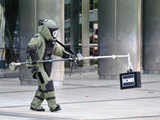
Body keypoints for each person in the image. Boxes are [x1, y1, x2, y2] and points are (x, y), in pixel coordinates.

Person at [26, 18, 71, 112]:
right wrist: (34, 60)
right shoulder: (38, 38)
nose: (55, 34)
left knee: (43, 87)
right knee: (47, 84)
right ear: (46, 30)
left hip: (46, 65)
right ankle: (53, 106)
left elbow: (57, 50)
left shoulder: (50, 41)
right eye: (53, 32)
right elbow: (30, 48)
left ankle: (35, 105)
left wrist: (67, 55)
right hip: (38, 66)